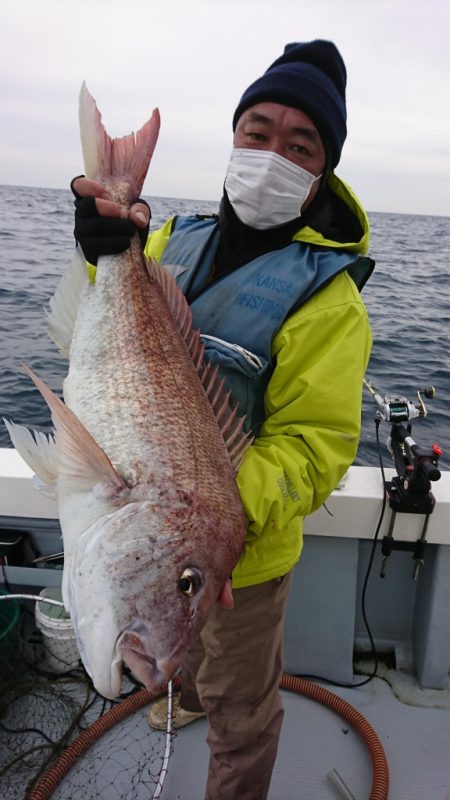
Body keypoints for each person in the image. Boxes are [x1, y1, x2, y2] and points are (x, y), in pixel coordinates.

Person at [72, 39, 373, 800]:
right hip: (172, 538)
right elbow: (112, 351)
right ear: (234, 138)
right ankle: (189, 692)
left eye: (300, 144)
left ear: (322, 170)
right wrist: (102, 249)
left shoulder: (331, 301)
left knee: (243, 703)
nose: (272, 152)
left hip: (248, 559)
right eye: (258, 132)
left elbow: (315, 450)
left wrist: (215, 515)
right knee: (188, 653)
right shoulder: (177, 239)